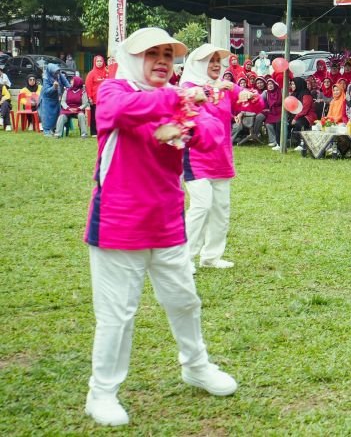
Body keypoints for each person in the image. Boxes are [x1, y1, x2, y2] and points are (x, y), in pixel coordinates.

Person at [83, 28, 236, 427]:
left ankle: (196, 365)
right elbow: (114, 114)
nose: (162, 60)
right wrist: (179, 97)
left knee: (185, 301)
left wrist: (189, 117)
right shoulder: (117, 90)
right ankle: (102, 392)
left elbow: (213, 136)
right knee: (117, 315)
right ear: (133, 58)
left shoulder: (177, 99)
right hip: (118, 225)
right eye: (152, 54)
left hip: (167, 223)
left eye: (168, 54)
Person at [181, 43, 261, 270]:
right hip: (196, 159)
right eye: (211, 60)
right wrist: (216, 89)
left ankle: (211, 256)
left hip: (222, 158)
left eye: (218, 60)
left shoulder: (225, 87)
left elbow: (256, 104)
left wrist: (251, 96)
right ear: (199, 64)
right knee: (202, 206)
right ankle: (184, 259)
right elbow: (188, 102)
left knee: (220, 209)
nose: (216, 65)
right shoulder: (189, 87)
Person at [39, 63, 70, 136]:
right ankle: (46, 130)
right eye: (55, 73)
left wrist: (70, 90)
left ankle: (54, 129)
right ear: (50, 72)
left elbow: (66, 83)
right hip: (47, 99)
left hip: (56, 98)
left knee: (56, 114)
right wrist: (54, 87)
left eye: (57, 72)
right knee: (47, 116)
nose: (56, 74)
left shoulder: (59, 74)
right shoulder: (46, 78)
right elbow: (46, 91)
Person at [287, 77, 316, 150]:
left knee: (298, 123)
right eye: (291, 84)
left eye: (293, 84)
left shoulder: (306, 95)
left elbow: (304, 110)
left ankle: (301, 143)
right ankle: (281, 142)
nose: (292, 86)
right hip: (296, 115)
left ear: (298, 84)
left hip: (307, 116)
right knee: (281, 122)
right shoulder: (293, 94)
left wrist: (295, 118)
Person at [85, 55, 109, 136]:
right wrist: (90, 97)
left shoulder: (107, 72)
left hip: (105, 98)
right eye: (97, 61)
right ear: (95, 62)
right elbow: (88, 86)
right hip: (95, 98)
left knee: (105, 115)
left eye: (101, 61)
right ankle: (94, 132)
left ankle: (104, 131)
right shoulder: (91, 73)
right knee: (94, 116)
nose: (99, 63)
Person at [262, 76, 284, 150]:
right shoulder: (267, 93)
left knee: (278, 123)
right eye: (268, 85)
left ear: (274, 84)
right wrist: (266, 109)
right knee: (268, 124)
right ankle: (273, 140)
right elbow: (264, 103)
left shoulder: (280, 91)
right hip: (272, 112)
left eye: (271, 84)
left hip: (280, 111)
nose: (270, 86)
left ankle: (279, 141)